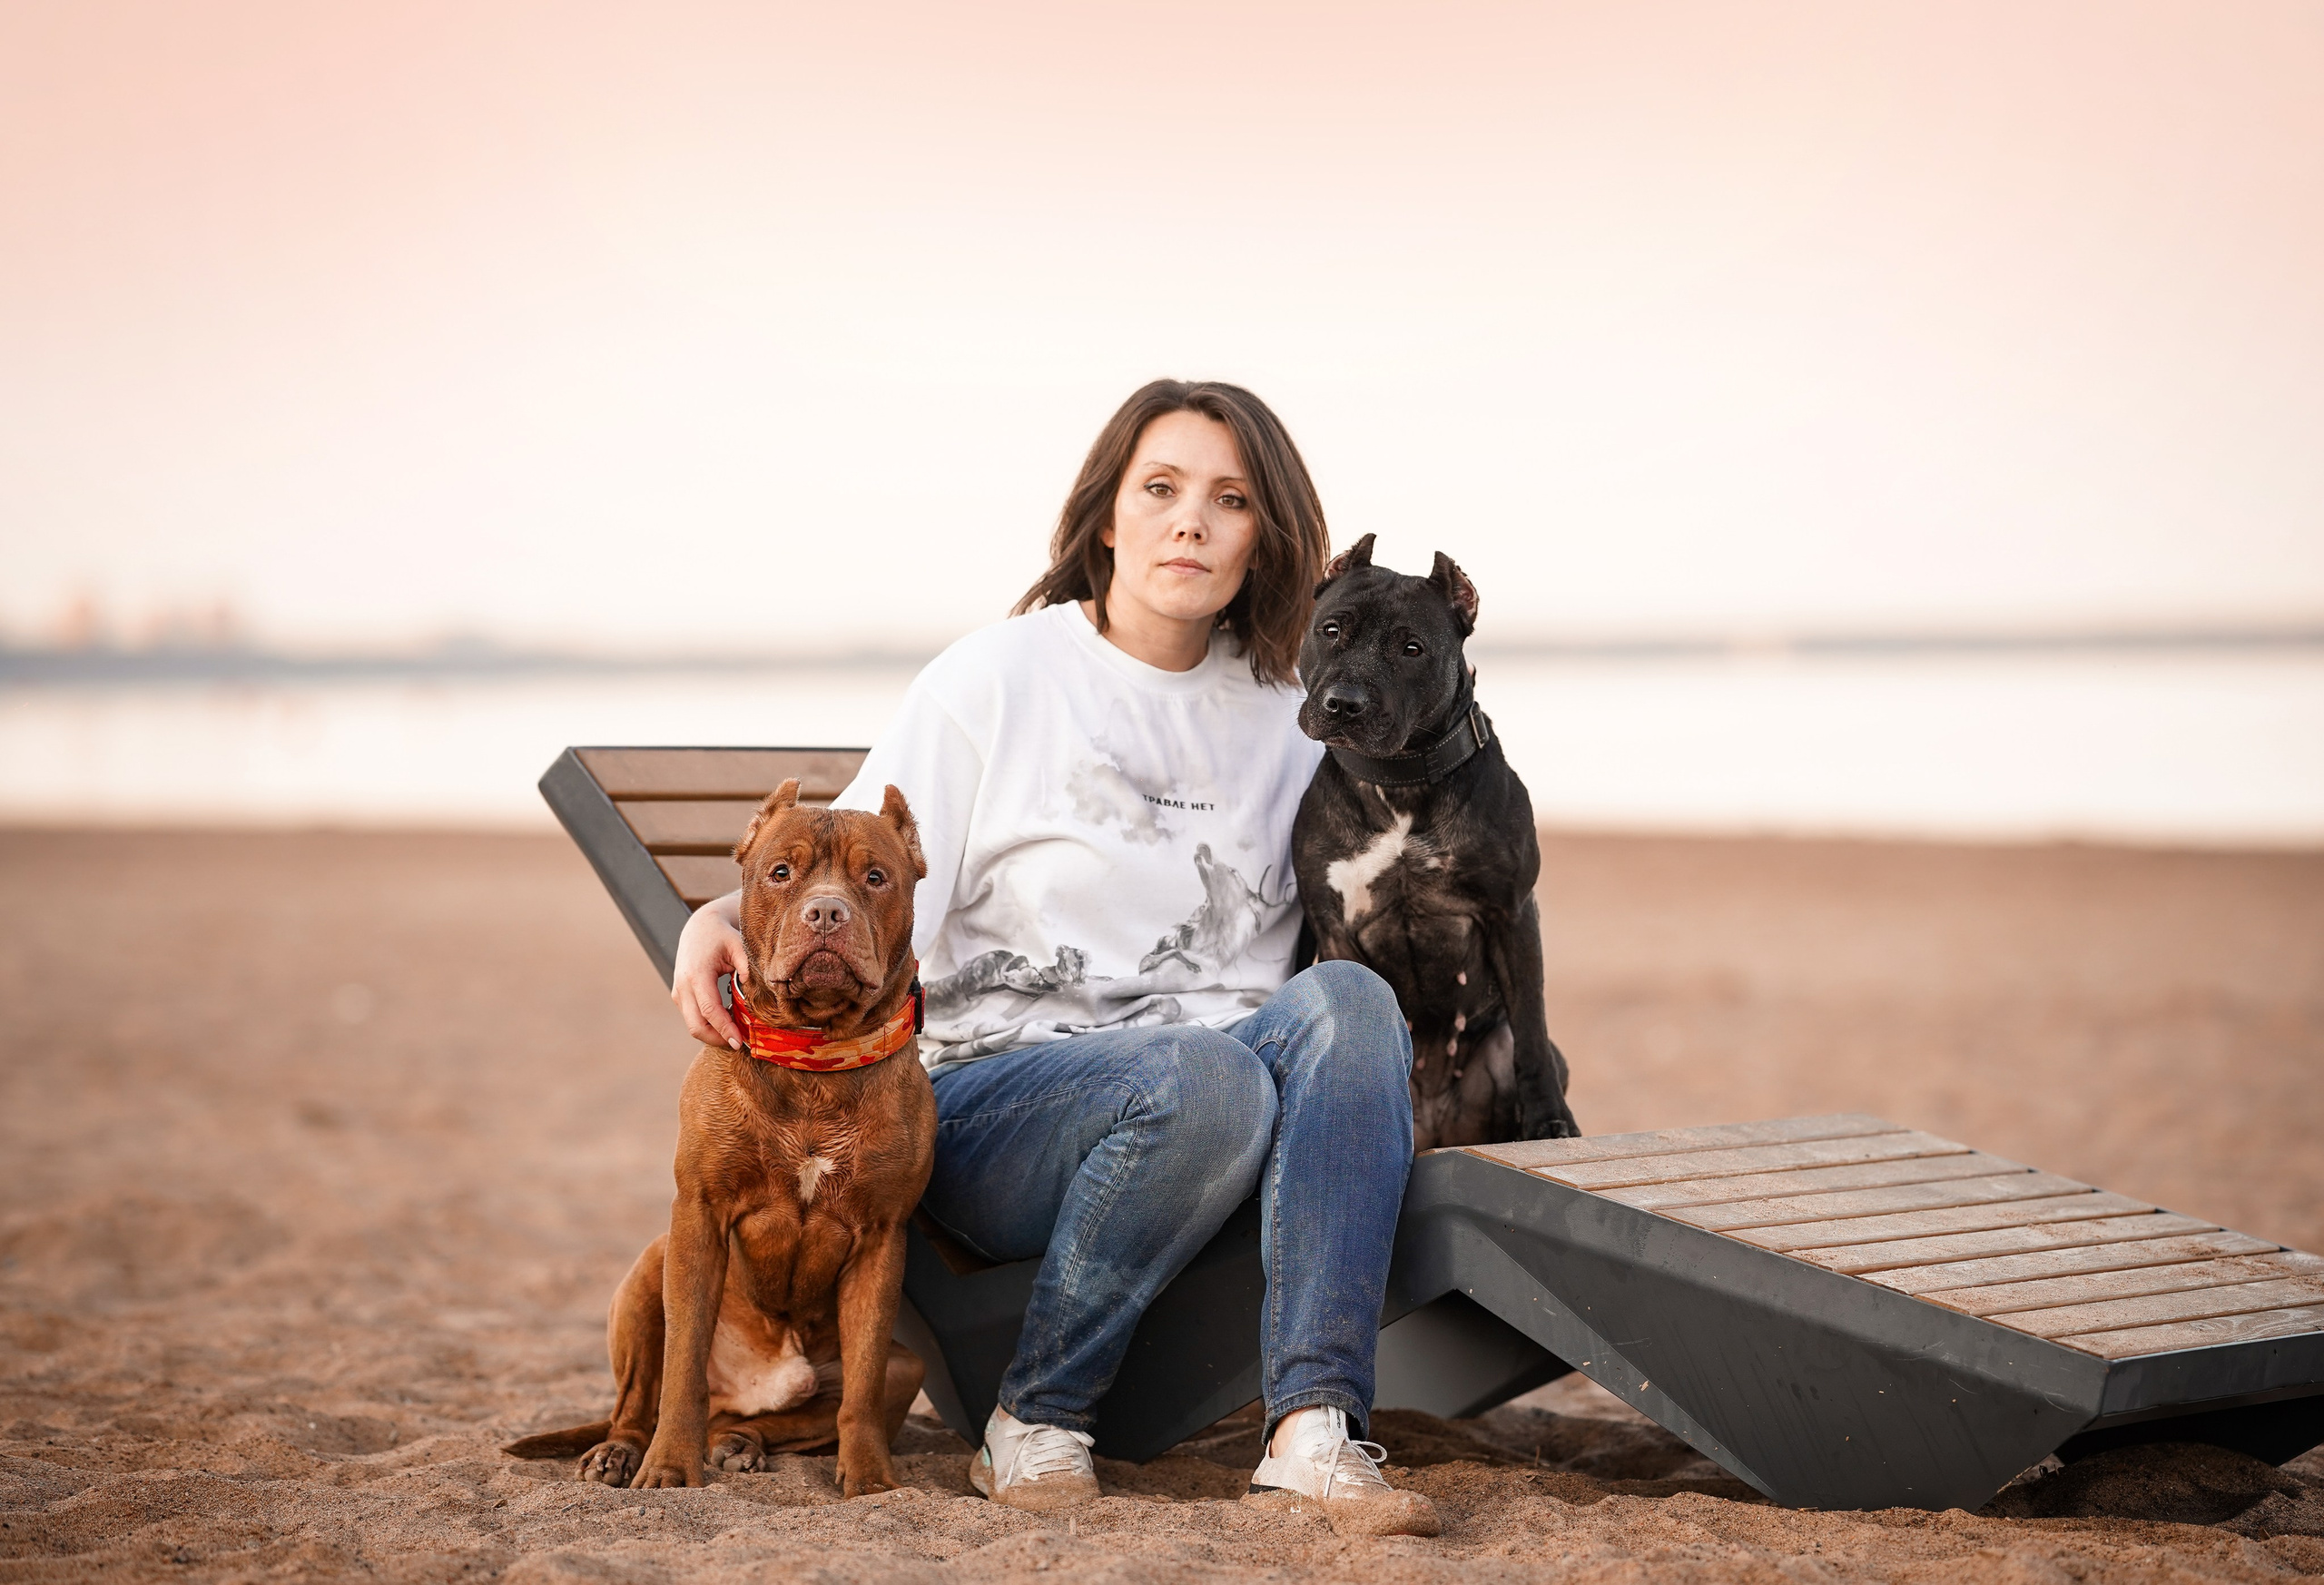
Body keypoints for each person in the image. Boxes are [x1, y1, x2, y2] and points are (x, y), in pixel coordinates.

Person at [670, 379, 1435, 1537]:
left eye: (1229, 500)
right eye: (1161, 490)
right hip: (998, 1106)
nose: (1191, 522)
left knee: (1351, 1004)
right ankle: (1037, 1421)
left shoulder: (1292, 705)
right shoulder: (998, 679)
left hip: (1232, 1095)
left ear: (1263, 536)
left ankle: (1314, 1432)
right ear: (1108, 516)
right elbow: (847, 864)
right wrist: (707, 917)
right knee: (1201, 1075)